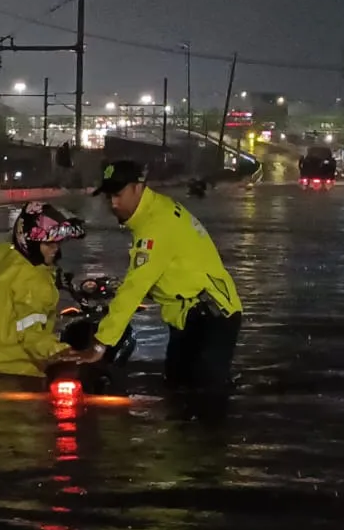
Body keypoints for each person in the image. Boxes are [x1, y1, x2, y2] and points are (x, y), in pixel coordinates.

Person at [74, 159, 243, 391]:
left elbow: (136, 286)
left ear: (137, 187)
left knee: (204, 397)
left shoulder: (155, 226)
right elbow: (160, 273)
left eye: (119, 195)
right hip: (190, 314)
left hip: (211, 318)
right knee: (177, 388)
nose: (114, 203)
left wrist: (100, 344)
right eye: (109, 197)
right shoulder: (156, 210)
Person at [0, 201, 87, 378]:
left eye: (57, 243)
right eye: (48, 244)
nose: (55, 249)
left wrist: (54, 277)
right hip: (0, 368)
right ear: (30, 241)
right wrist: (66, 354)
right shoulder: (33, 281)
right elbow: (32, 337)